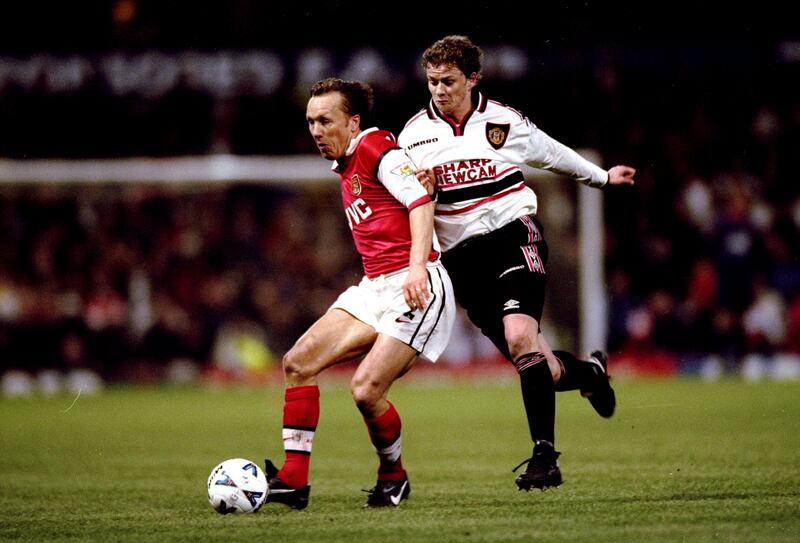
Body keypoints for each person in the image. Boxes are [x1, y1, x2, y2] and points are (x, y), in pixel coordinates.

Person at [398, 35, 636, 491]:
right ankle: (591, 374)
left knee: (520, 335)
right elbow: (408, 202)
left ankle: (544, 458)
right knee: (540, 364)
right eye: (432, 82)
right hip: (462, 261)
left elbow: (553, 153)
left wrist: (602, 178)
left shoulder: (503, 122)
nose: (439, 90)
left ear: (472, 78)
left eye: (448, 81)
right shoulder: (412, 137)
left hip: (513, 235)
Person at [263, 78, 456, 509]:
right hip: (375, 287)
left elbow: (419, 202)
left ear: (353, 122)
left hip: (417, 283)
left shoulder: (374, 147)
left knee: (366, 390)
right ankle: (294, 480)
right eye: (311, 122)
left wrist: (416, 268)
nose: (316, 131)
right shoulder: (346, 162)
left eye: (325, 121)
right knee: (298, 362)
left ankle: (394, 475)